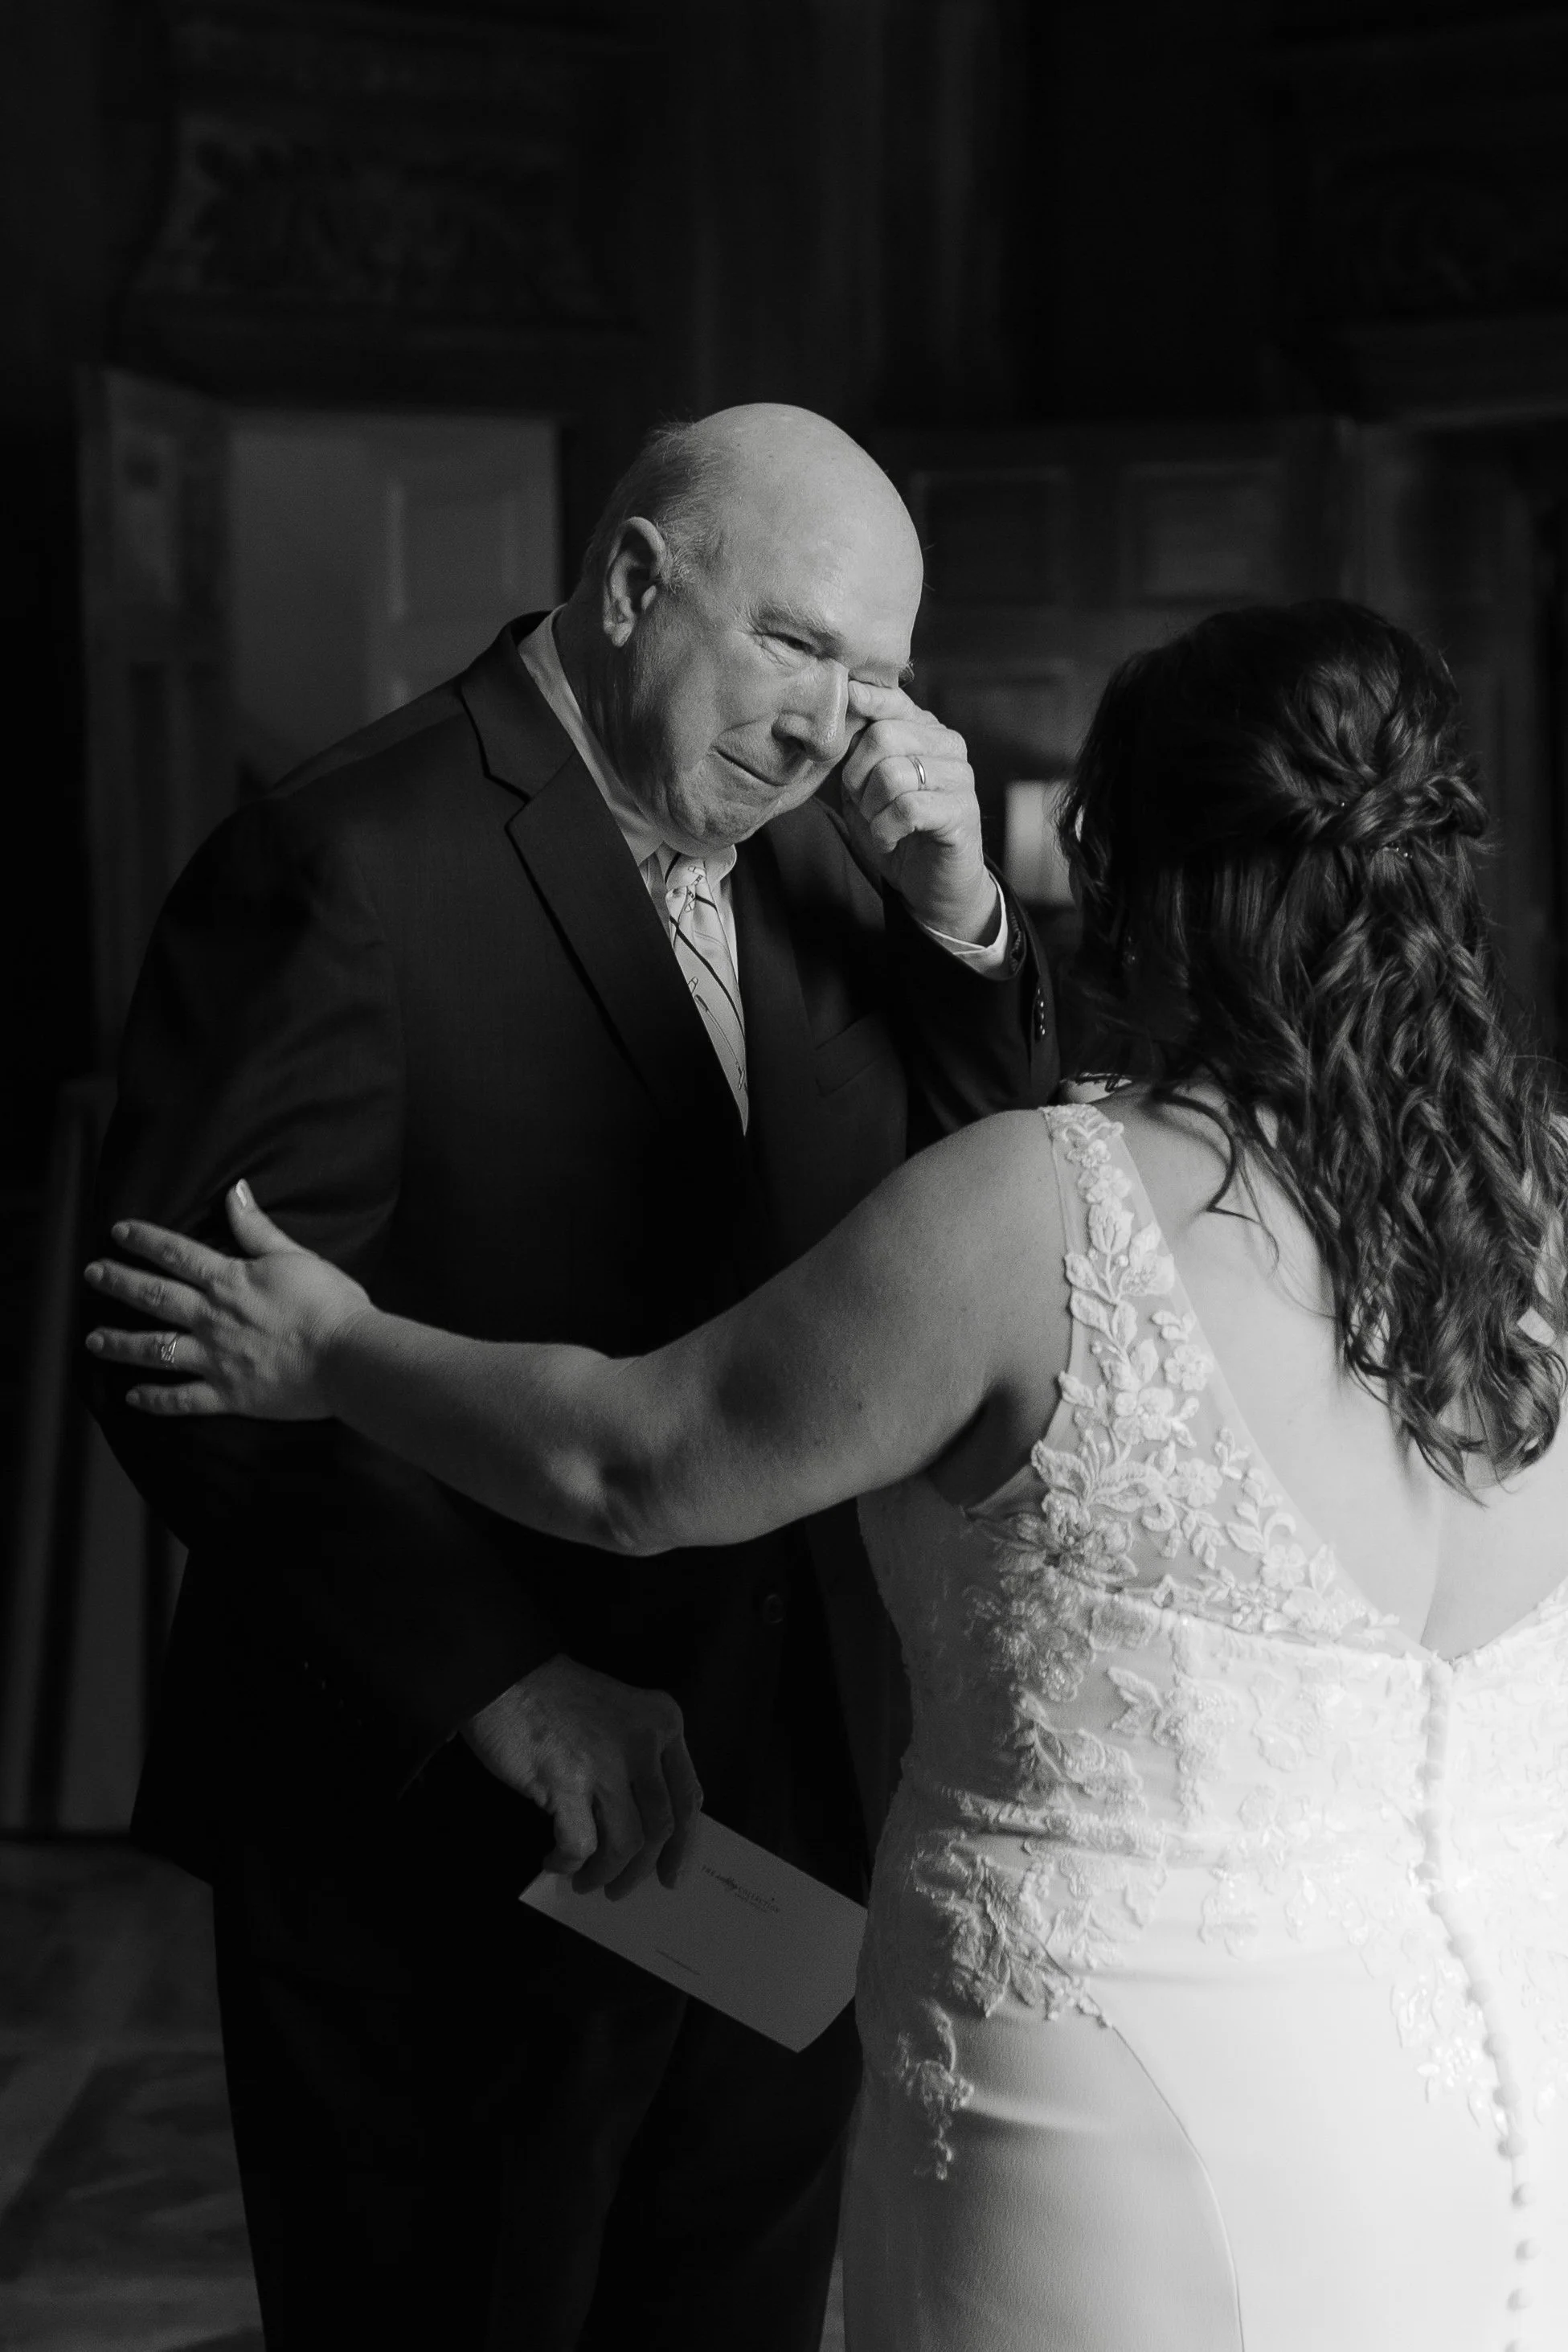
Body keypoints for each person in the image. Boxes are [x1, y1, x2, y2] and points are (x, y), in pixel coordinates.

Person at [88, 599, 1568, 2351]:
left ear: (1139, 867)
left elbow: (632, 1456)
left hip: (1107, 2100)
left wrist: (333, 1344)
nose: (844, 722)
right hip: (1476, 2065)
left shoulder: (1043, 1199)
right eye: (812, 646)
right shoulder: (1528, 1183)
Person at [84, 404, 1057, 2352]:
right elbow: (180, 1350)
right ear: (631, 583)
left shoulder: (849, 868)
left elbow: (1006, 1220)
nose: (828, 728)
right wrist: (508, 1688)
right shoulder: (338, 861)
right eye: (797, 646)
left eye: (877, 677)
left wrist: (962, 916)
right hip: (448, 1849)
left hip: (787, 1814)